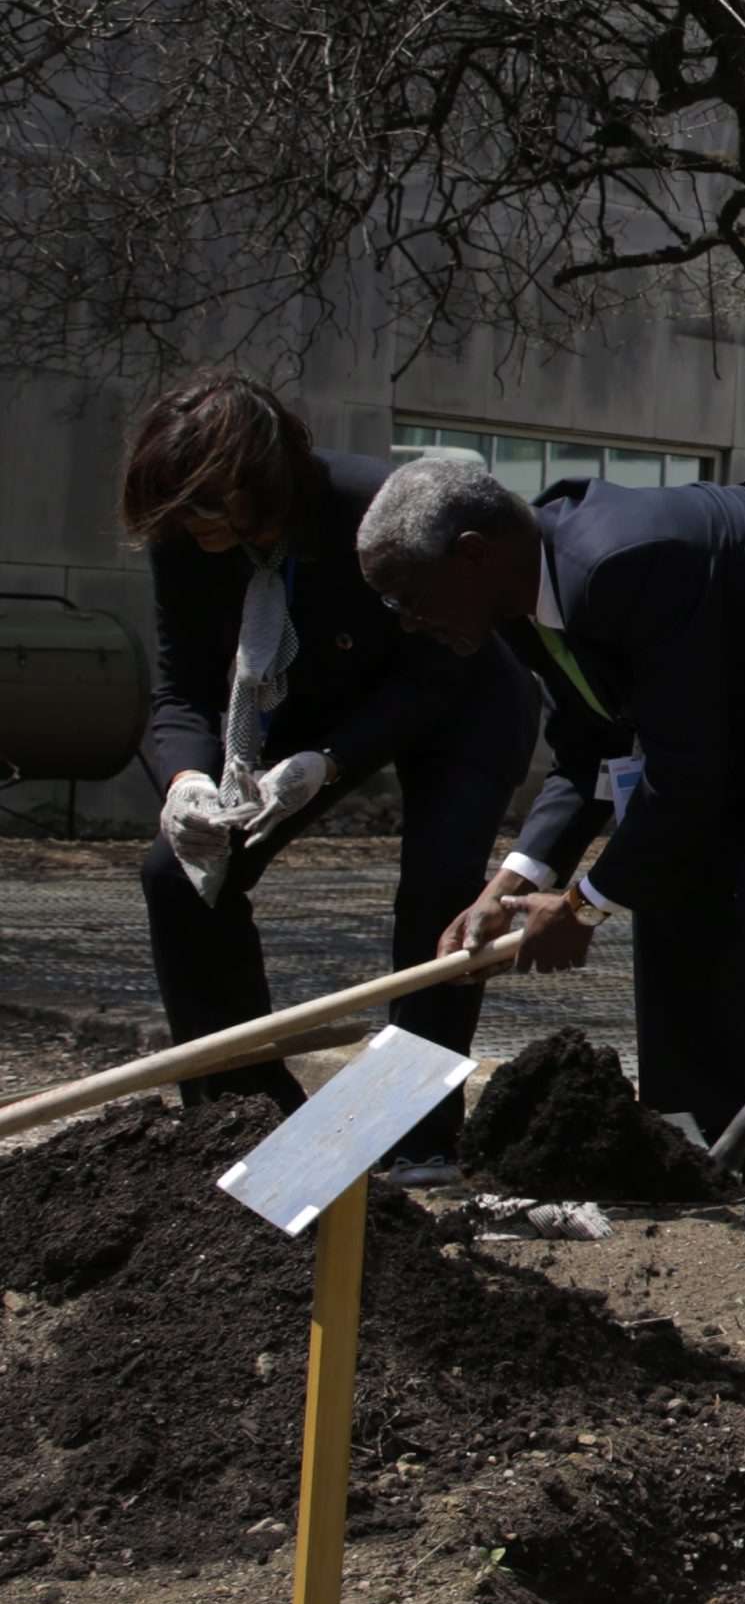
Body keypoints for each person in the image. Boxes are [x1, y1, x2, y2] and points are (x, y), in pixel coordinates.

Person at [364, 453, 745, 1241]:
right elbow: (590, 750)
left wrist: (583, 905)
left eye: (408, 595)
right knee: (678, 881)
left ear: (474, 554)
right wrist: (508, 883)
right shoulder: (531, 600)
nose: (406, 619)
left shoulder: (620, 564)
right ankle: (722, 1143)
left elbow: (686, 774)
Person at [122, 374, 537, 1181]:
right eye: (183, 518)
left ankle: (416, 1136)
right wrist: (183, 786)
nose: (197, 532)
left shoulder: (367, 507)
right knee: (177, 876)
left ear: (262, 480)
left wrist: (332, 763)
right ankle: (243, 1115)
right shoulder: (186, 536)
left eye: (212, 512)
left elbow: (436, 674)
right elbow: (181, 682)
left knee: (439, 899)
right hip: (307, 705)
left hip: (458, 696)